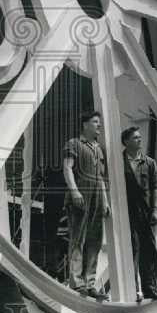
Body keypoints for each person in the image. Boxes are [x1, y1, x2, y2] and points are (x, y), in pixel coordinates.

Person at [62, 111, 110, 299]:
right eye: (95, 122)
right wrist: (74, 191)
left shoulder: (98, 149)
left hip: (97, 197)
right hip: (81, 195)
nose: (99, 126)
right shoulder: (74, 144)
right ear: (85, 124)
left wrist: (105, 200)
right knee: (78, 239)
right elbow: (67, 168)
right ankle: (76, 282)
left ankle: (90, 283)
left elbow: (101, 178)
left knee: (94, 240)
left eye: (100, 122)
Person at [121, 125, 157, 300]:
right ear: (126, 141)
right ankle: (134, 290)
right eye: (135, 137)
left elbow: (155, 188)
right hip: (127, 211)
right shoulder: (119, 162)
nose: (139, 140)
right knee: (132, 250)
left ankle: (150, 288)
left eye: (139, 137)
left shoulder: (149, 163)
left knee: (149, 250)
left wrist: (155, 210)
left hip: (145, 212)